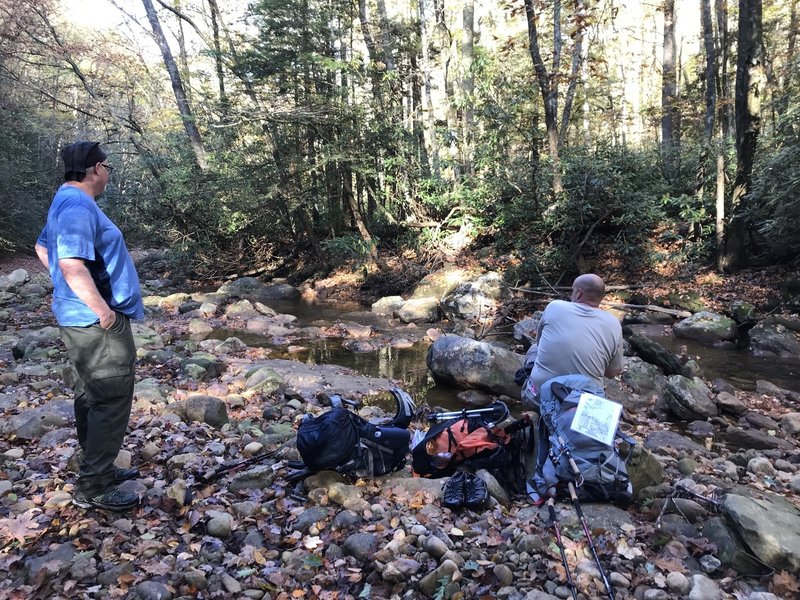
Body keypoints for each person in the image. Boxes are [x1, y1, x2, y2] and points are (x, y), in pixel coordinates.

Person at [35, 141, 144, 511]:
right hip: (95, 322)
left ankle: (99, 468)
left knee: (91, 394)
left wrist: (68, 289)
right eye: (107, 166)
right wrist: (102, 309)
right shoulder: (78, 204)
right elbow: (69, 263)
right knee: (112, 397)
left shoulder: (65, 201)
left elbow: (42, 248)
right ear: (96, 168)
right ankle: (94, 485)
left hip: (79, 317)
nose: (109, 173)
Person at [529, 273, 623, 394]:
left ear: (578, 293)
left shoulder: (555, 306)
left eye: (572, 291)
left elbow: (539, 342)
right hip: (584, 403)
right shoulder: (614, 323)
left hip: (541, 397)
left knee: (533, 350)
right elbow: (612, 373)